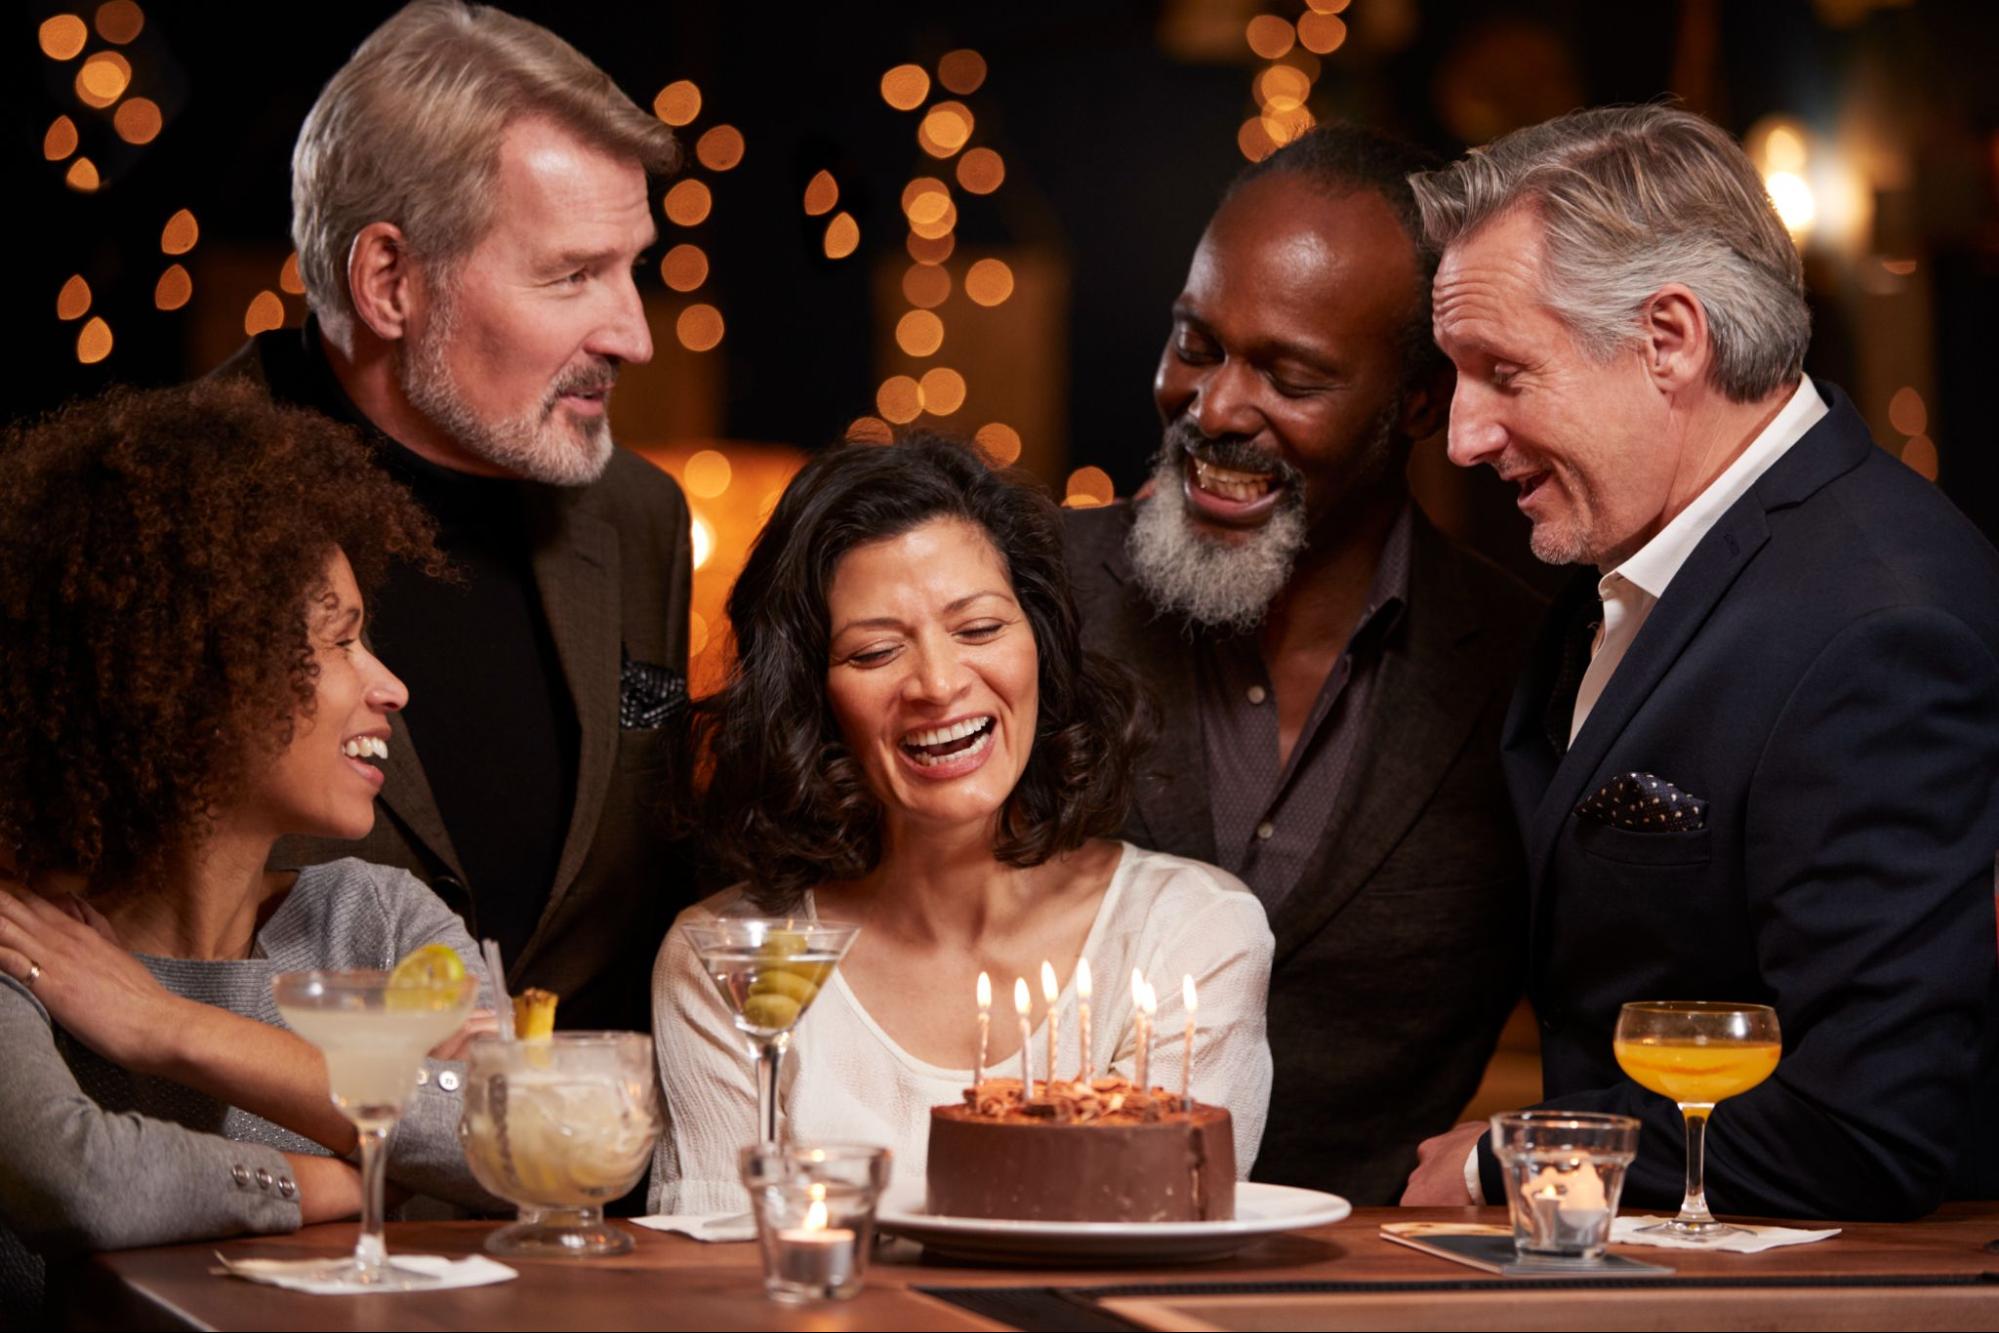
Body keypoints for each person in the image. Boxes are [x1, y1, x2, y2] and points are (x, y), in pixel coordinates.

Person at [1401, 104, 1999, 1218]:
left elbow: (1866, 1126)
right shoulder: (1635, 557)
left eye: (1501, 370)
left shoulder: (1878, 622)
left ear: (1668, 339)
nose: (1464, 434)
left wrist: (1514, 1157)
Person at [1062, 123, 1543, 1205]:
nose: (1216, 407)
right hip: (1039, 1264)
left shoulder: (1529, 662)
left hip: (1378, 1290)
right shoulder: (1021, 599)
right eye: (1195, 343)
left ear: (1420, 403)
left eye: (1291, 375)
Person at [216, 0, 694, 1035]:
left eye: (633, 269)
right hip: (277, 1185)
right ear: (390, 280)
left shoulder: (641, 517)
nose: (634, 335)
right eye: (573, 274)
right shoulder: (151, 522)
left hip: (589, 1184)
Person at [650, 435, 1274, 1213]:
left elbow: (1151, 1228)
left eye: (978, 630)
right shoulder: (728, 961)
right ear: (813, 698)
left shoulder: (1189, 935)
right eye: (875, 650)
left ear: (1039, 647)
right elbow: (720, 1276)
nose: (938, 684)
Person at [0, 382, 498, 1315]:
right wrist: (358, 1174)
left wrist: (166, 1026)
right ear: (197, 674)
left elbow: (513, 1139)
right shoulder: (22, 940)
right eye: (342, 640)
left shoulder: (379, 920)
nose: (389, 686)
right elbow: (88, 1182)